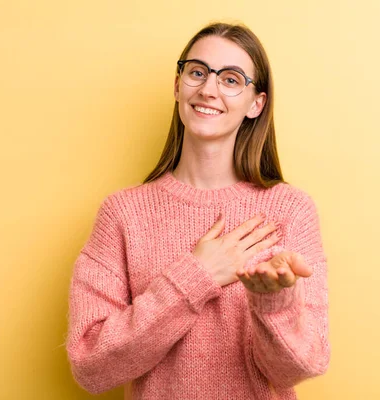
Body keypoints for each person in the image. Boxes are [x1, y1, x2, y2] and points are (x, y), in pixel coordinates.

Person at [66, 22, 330, 399]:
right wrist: (197, 276)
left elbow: (298, 368)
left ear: (256, 103)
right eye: (197, 72)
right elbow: (91, 366)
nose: (208, 89)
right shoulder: (122, 214)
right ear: (177, 86)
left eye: (232, 79)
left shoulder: (290, 210)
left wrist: (273, 302)